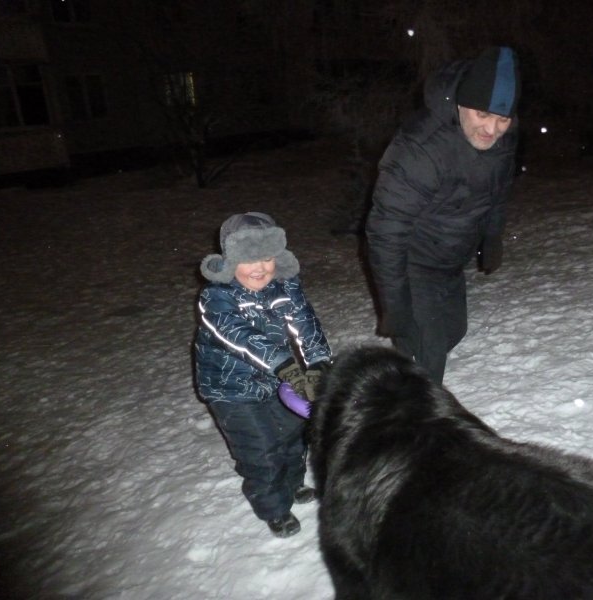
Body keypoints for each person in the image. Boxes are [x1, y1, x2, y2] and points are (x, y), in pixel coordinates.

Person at [365, 46, 521, 385]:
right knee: (430, 352)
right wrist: (395, 304)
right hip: (412, 262)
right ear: (463, 103)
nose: (491, 129)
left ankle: (405, 365)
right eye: (482, 114)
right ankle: (410, 409)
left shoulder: (503, 140)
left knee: (453, 330)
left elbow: (498, 191)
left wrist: (492, 238)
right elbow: (386, 230)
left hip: (449, 262)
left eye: (502, 119)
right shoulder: (420, 149)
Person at [194, 212, 331, 538]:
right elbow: (239, 336)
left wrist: (318, 364)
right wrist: (286, 366)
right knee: (260, 449)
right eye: (247, 259)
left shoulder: (285, 285)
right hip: (231, 388)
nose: (259, 267)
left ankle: (293, 484)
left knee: (294, 435)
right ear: (230, 261)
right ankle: (274, 508)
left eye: (266, 257)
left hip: (275, 381)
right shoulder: (216, 296)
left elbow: (305, 323)